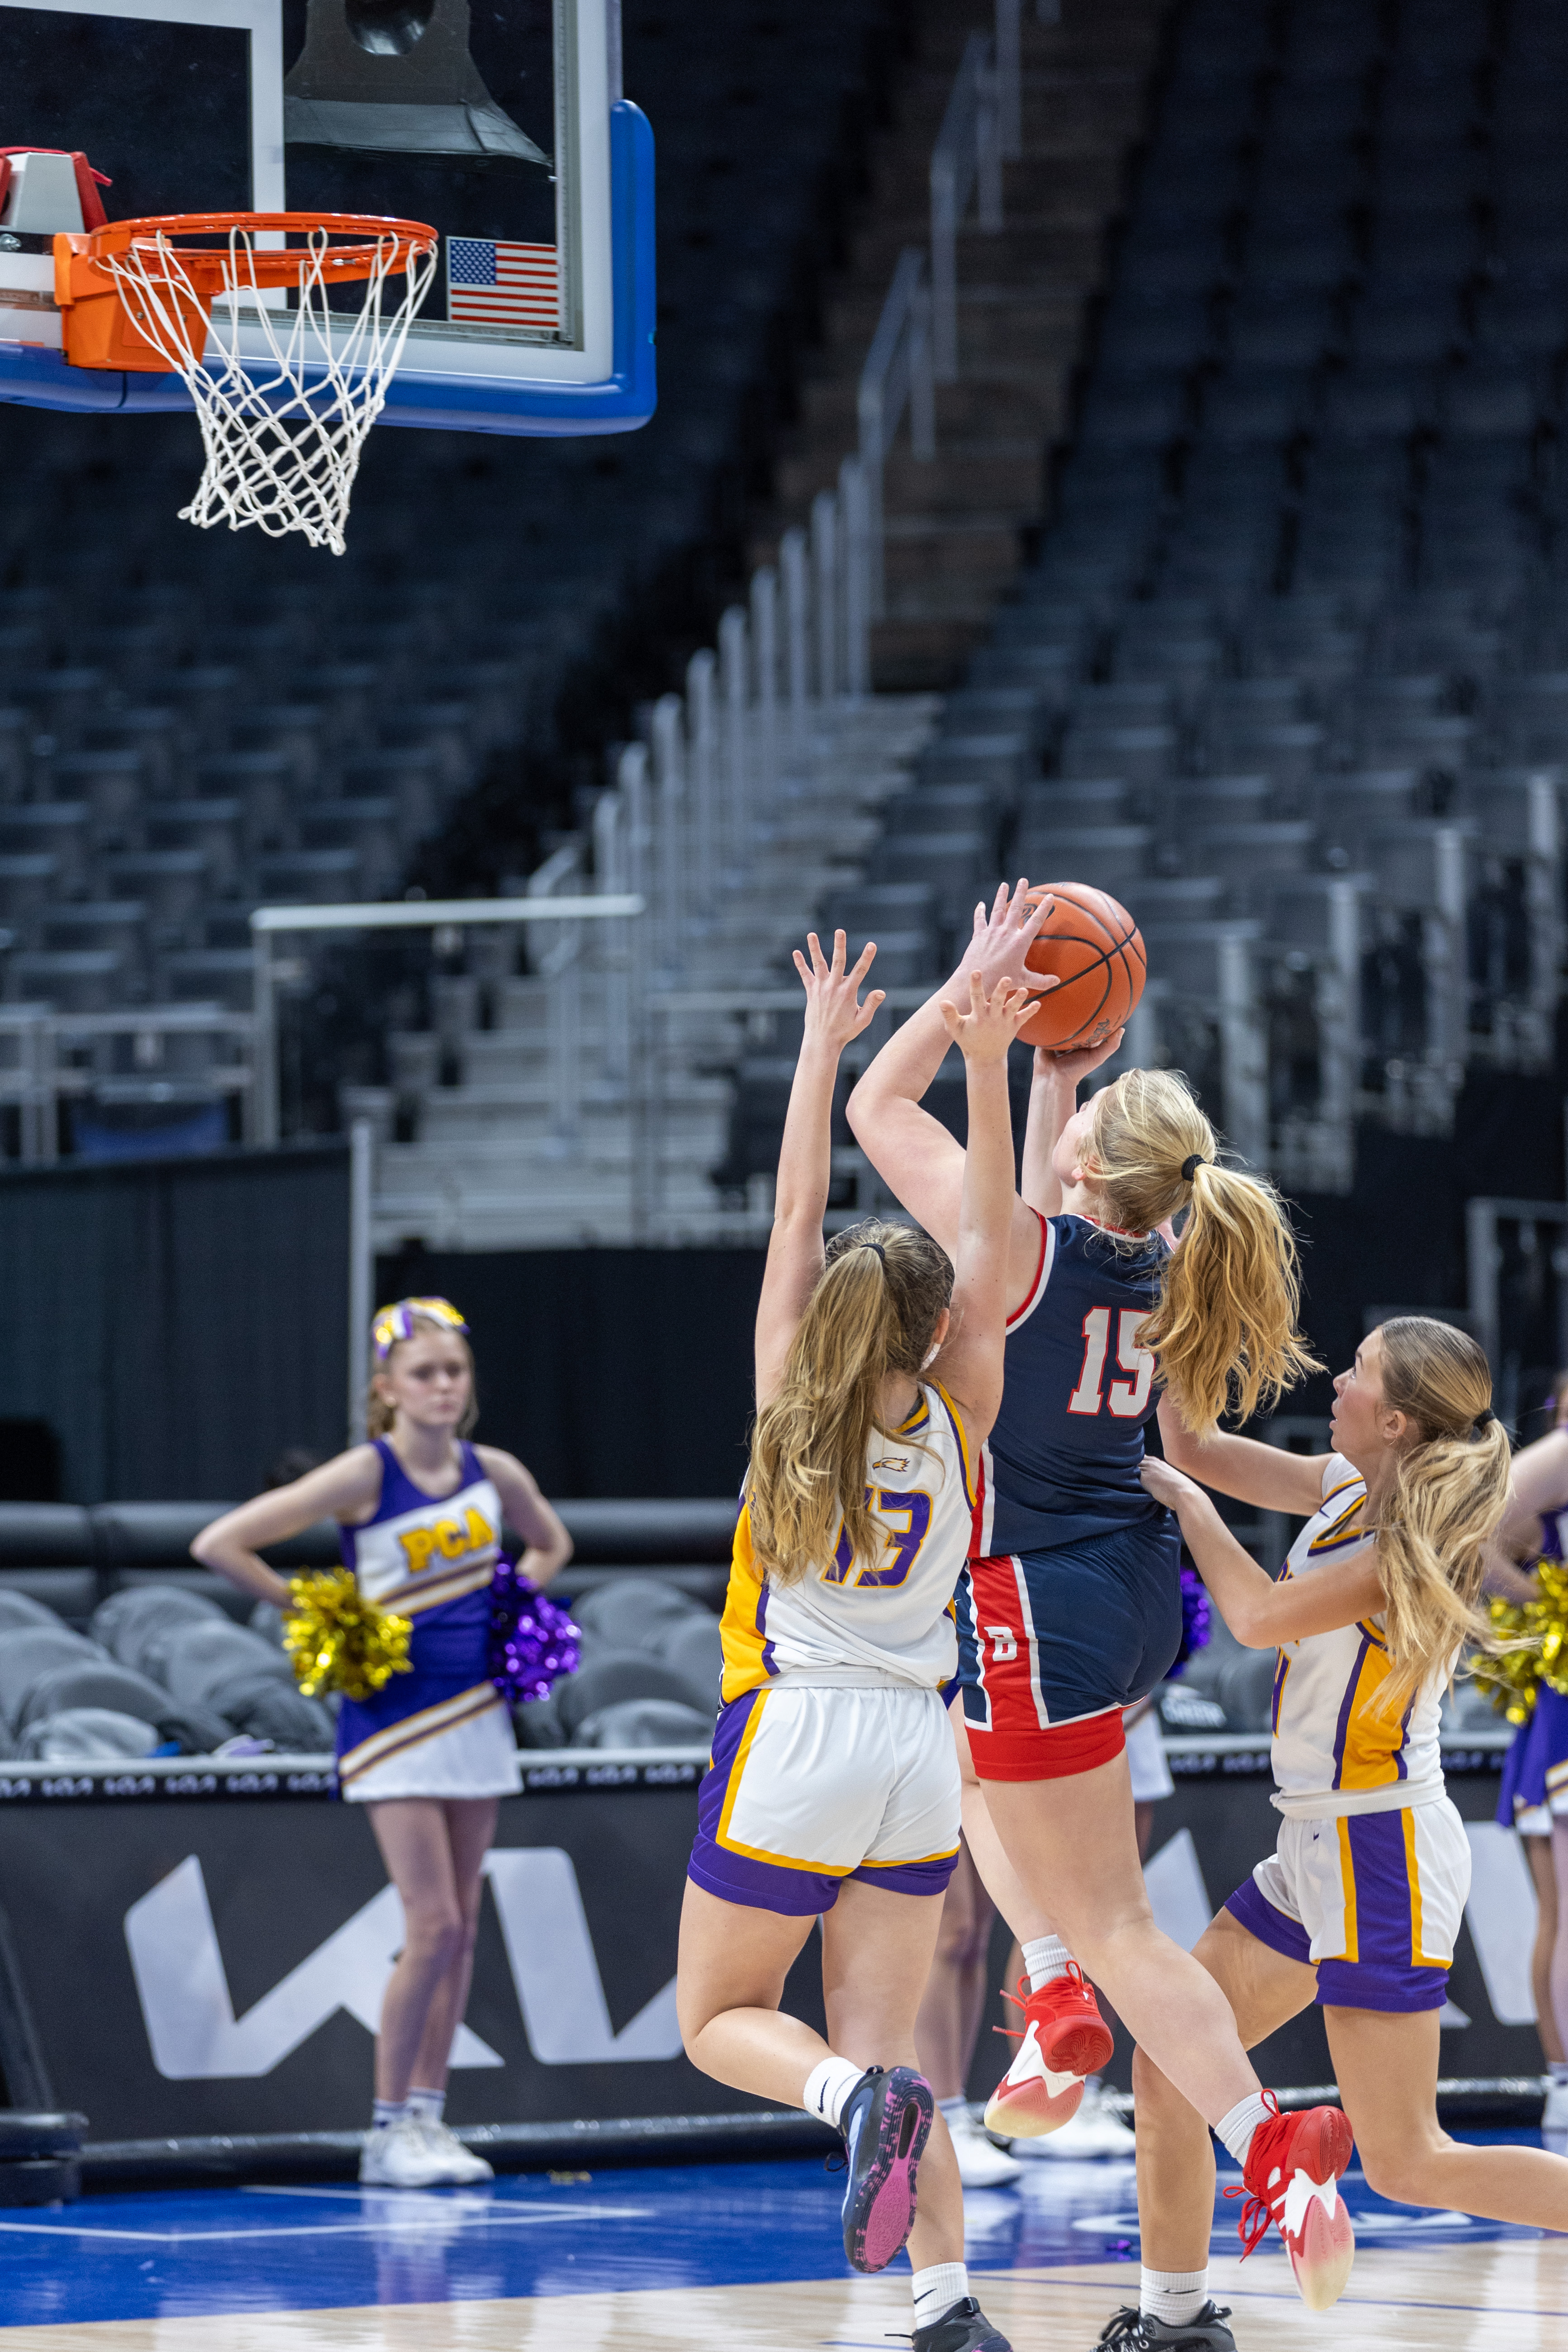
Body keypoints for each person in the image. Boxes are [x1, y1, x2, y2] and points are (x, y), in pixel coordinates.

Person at [847, 884, 1352, 2305]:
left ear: (1084, 1166)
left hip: (1035, 1599)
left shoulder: (1013, 1252)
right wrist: (1058, 1082)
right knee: (956, 1770)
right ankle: (1054, 1978)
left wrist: (977, 1012)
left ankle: (1268, 2143)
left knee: (1118, 1921)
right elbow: (1183, 1441)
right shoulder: (1168, 1264)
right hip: (1134, 1593)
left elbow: (880, 1109)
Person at [676, 929, 1038, 2352]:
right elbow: (992, 1244)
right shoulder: (962, 1411)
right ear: (940, 1325)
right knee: (895, 2043)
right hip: (918, 1750)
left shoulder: (788, 1404)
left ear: (830, 1308)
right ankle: (947, 2307)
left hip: (801, 1727)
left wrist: (822, 1047)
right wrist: (991, 1062)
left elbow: (794, 1212)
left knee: (723, 2022)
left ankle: (844, 2104)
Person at [1121, 1317, 1568, 2352]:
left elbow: (1251, 1615)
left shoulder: (1406, 1548)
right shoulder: (1337, 1486)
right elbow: (1191, 1443)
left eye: (1358, 1371)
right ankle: (1175, 2318)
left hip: (1379, 1849)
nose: (1335, 1380)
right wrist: (1179, 1313)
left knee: (1406, 2160)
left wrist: (1190, 1509)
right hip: (1314, 1842)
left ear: (1396, 1418)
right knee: (1172, 2061)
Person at [192, 1295, 572, 2190]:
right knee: (431, 1923)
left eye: (455, 1371)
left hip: (475, 1713)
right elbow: (221, 1543)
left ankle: (429, 2119)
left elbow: (550, 1544)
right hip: (394, 1723)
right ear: (387, 1387)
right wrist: (321, 1609)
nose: (443, 1386)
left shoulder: (494, 1470)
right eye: (424, 1373)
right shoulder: (366, 1472)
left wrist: (510, 1602)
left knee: (462, 1928)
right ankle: (385, 2128)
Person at [1490, 1371, 1568, 2133]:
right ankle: (1563, 2081)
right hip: (1564, 1712)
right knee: (1566, 1907)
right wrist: (1545, 1609)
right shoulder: (1562, 1458)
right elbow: (1469, 1534)